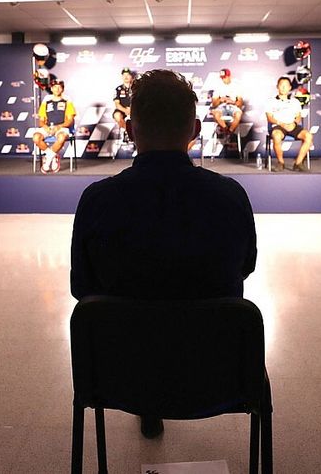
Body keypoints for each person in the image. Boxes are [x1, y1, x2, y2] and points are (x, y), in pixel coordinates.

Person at [71, 69, 257, 439]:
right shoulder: (231, 198)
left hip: (120, 374)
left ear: (130, 131)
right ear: (194, 130)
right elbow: (245, 268)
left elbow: (82, 289)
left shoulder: (97, 201)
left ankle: (150, 404)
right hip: (216, 372)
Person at [266, 76, 312, 172]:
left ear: (290, 87)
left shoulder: (295, 101)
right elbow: (269, 118)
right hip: (278, 126)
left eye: (286, 86)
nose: (283, 88)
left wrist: (294, 123)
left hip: (292, 125)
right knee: (276, 135)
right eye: (281, 85)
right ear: (277, 87)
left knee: (308, 136)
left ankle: (298, 163)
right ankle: (281, 163)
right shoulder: (271, 101)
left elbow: (298, 117)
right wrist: (280, 123)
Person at [33, 80, 75, 173]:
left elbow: (70, 120)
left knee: (61, 137)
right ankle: (52, 155)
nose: (57, 89)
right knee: (36, 137)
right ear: (51, 89)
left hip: (62, 128)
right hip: (48, 127)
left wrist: (58, 127)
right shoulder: (46, 102)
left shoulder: (67, 101)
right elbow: (41, 121)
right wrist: (46, 127)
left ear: (62, 89)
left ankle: (48, 160)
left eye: (59, 87)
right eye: (55, 87)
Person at [211, 68, 243, 136]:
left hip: (233, 106)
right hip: (221, 106)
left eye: (225, 77)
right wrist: (220, 100)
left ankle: (230, 132)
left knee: (238, 114)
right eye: (222, 78)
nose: (223, 79)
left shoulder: (236, 86)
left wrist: (232, 102)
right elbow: (214, 104)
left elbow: (240, 103)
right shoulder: (218, 87)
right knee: (216, 114)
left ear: (229, 76)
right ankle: (225, 129)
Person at [112, 67, 134, 136]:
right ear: (122, 76)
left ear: (131, 76)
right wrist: (125, 110)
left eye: (128, 75)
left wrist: (132, 109)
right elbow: (117, 104)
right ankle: (128, 132)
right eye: (124, 75)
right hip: (122, 110)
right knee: (117, 115)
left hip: (134, 109)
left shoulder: (136, 88)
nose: (126, 77)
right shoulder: (118, 89)